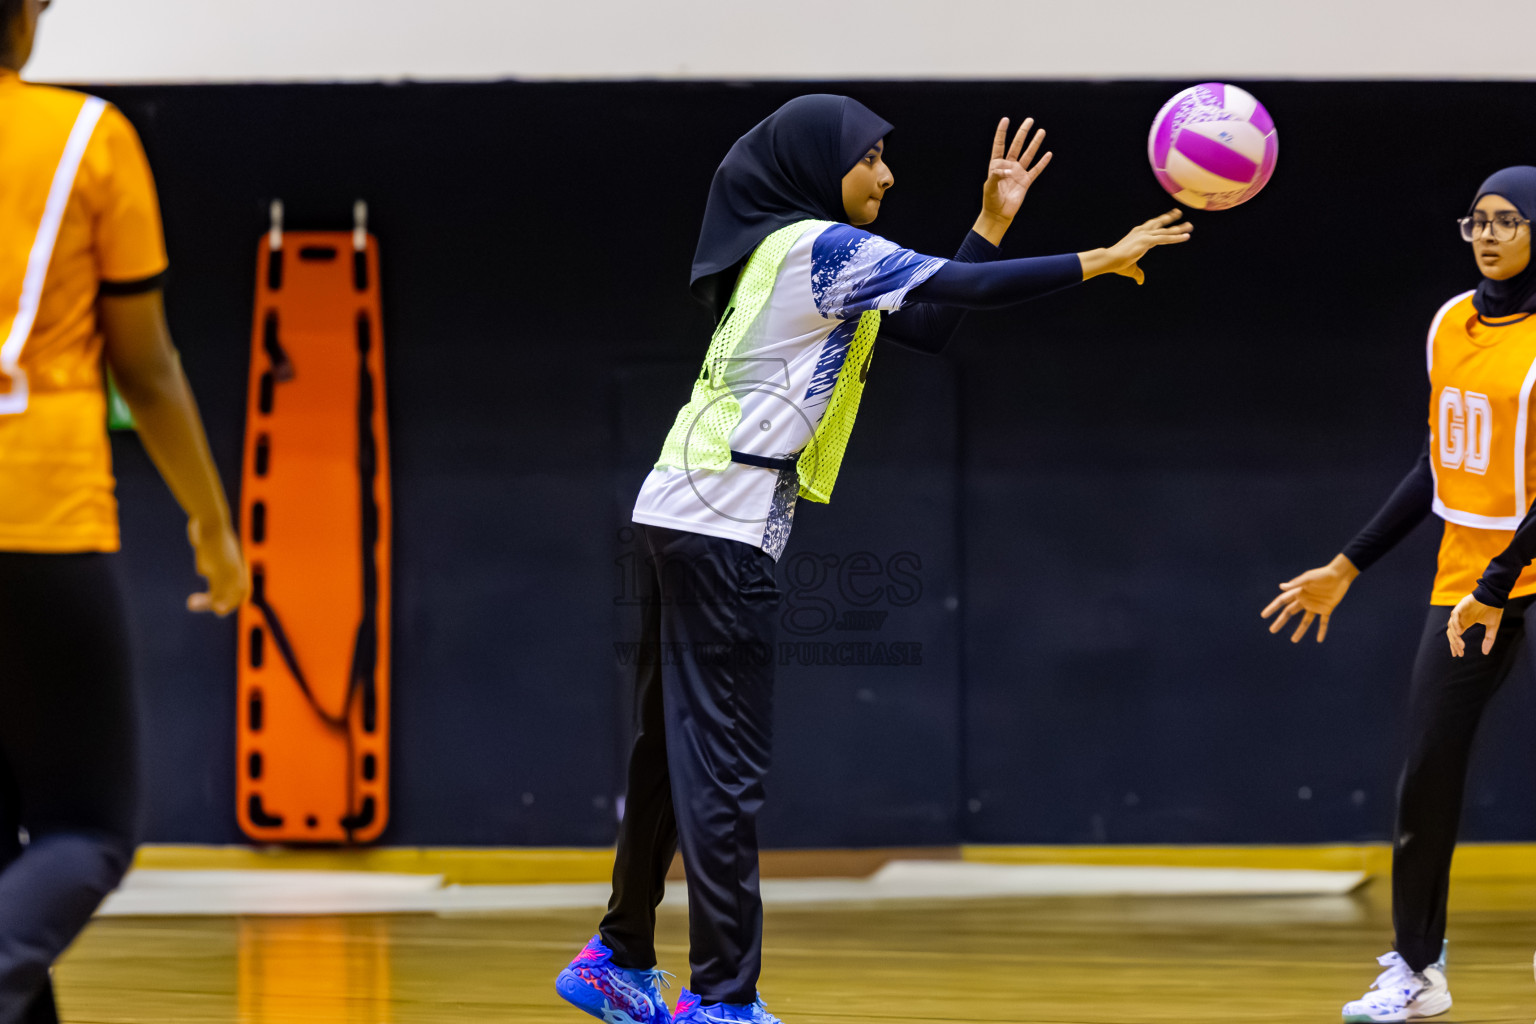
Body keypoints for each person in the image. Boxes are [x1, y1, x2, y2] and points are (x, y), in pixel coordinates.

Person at [554, 93, 1192, 1024]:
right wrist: (1101, 257)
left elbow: (929, 321)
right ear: (821, 168)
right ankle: (725, 1000)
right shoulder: (820, 247)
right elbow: (964, 294)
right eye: (871, 159)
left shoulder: (790, 251)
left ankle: (618, 956)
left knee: (666, 753)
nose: (888, 176)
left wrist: (989, 224)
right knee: (722, 768)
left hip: (676, 508)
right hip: (721, 523)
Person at [0, 2, 247, 1021]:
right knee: (87, 827)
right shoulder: (87, 141)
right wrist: (212, 526)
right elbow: (144, 366)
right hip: (40, 512)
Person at [1262, 166, 1536, 1023]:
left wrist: (1498, 587)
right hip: (1470, 580)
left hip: (1503, 578)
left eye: (1507, 220)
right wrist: (1349, 564)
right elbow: (1439, 460)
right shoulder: (1452, 323)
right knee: (1427, 771)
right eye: (1475, 221)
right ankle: (1418, 970)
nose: (1487, 234)